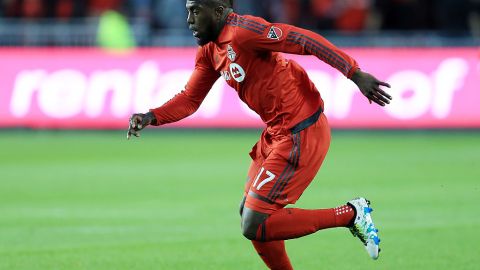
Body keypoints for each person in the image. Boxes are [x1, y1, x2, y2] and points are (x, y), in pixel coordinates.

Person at [128, 0, 391, 269]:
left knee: (255, 222)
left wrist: (354, 73)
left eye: (196, 10)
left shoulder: (244, 31)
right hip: (276, 133)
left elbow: (303, 39)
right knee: (250, 215)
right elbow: (190, 99)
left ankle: (350, 213)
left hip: (302, 132)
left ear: (218, 11)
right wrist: (151, 116)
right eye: (187, 11)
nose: (189, 20)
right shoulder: (209, 51)